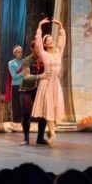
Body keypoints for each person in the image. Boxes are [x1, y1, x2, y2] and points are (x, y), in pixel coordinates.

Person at [31, 17, 66, 146]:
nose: (51, 42)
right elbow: (38, 44)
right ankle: (53, 133)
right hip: (46, 84)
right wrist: (39, 26)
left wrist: (61, 26)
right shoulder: (44, 54)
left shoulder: (58, 52)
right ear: (45, 44)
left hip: (55, 84)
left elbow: (63, 42)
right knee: (49, 108)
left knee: (54, 108)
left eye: (52, 40)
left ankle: (51, 131)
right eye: (49, 40)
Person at [18, 42, 47, 145]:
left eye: (41, 48)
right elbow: (26, 76)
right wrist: (40, 76)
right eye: (37, 48)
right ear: (32, 48)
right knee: (26, 114)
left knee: (44, 113)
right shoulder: (27, 60)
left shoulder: (45, 59)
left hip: (40, 89)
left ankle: (40, 138)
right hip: (26, 89)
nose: (39, 50)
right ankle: (26, 138)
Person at [7, 45, 25, 123]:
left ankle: (24, 119)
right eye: (18, 52)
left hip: (24, 85)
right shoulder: (11, 63)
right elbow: (14, 76)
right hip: (16, 85)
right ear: (14, 53)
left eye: (21, 52)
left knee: (24, 103)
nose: (20, 53)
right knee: (16, 103)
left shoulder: (24, 61)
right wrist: (23, 73)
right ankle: (16, 120)